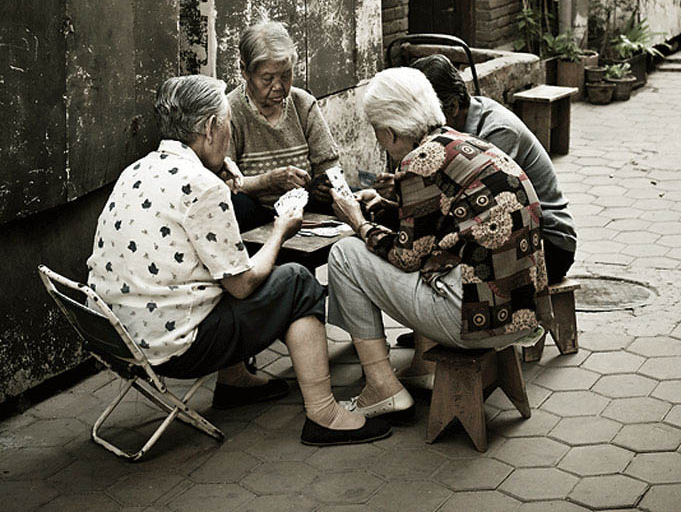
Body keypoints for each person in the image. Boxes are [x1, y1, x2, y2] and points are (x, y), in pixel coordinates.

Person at [87, 74, 390, 447]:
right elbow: (242, 285)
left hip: (114, 337)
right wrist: (282, 228)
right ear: (212, 127)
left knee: (223, 265)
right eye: (227, 121)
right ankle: (324, 415)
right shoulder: (202, 186)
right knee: (296, 282)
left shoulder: (136, 170)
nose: (229, 132)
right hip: (173, 348)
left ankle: (234, 383)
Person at [326, 67, 553, 419]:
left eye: (377, 132)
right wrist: (388, 209)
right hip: (521, 312)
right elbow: (442, 225)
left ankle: (382, 388)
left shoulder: (419, 161)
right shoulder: (465, 144)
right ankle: (419, 368)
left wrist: (356, 221)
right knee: (409, 255)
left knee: (344, 254)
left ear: (388, 130)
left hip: (478, 321)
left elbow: (406, 257)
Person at [412, 54, 577, 284]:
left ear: (452, 106)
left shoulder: (497, 131)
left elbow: (478, 208)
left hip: (550, 244)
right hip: (520, 232)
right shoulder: (463, 125)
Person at [227, 19, 340, 227]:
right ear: (245, 71)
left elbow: (329, 165)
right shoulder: (230, 112)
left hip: (305, 211)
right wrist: (268, 182)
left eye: (286, 76)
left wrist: (322, 185)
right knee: (234, 205)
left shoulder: (303, 104)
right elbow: (226, 183)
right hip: (258, 216)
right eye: (267, 79)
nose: (279, 86)